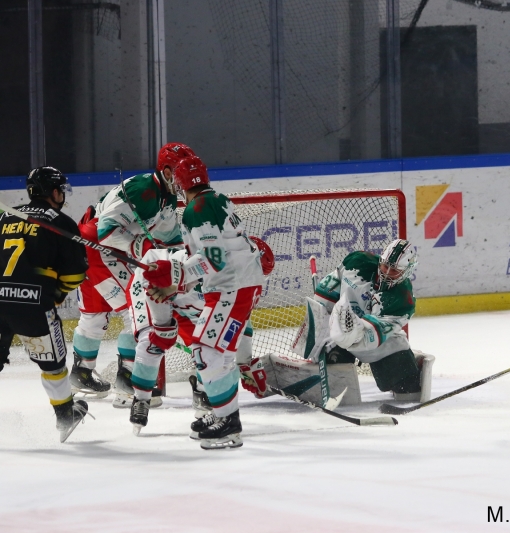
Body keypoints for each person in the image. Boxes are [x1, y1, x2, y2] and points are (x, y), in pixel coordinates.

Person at [142, 156, 265, 449]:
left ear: (182, 184)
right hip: (241, 283)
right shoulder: (219, 199)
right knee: (219, 354)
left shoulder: (196, 209)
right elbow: (215, 254)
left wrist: (176, 279)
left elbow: (214, 258)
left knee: (205, 350)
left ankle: (228, 422)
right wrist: (178, 277)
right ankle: (224, 415)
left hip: (230, 287)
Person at [72, 143, 192, 405]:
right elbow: (106, 231)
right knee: (136, 310)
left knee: (94, 315)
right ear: (167, 171)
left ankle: (81, 372)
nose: (185, 178)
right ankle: (128, 380)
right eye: (180, 171)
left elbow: (170, 241)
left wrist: (182, 264)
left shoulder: (167, 197)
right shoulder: (141, 191)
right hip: (98, 248)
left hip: (105, 250)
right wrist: (146, 248)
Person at [0, 167, 90, 442]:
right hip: (33, 306)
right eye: (60, 189)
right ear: (53, 192)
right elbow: (76, 273)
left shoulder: (6, 216)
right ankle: (65, 415)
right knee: (53, 367)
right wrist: (57, 295)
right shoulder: (60, 222)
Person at [293, 238, 434, 402]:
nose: (387, 273)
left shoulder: (403, 301)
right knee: (334, 366)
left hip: (376, 343)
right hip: (337, 332)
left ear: (406, 272)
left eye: (394, 270)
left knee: (408, 390)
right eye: (385, 266)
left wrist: (348, 336)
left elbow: (371, 337)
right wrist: (325, 324)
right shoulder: (358, 263)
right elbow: (327, 291)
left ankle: (409, 360)